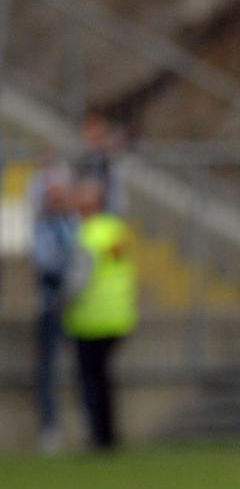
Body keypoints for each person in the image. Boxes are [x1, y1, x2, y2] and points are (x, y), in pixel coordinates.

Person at [64, 179, 137, 451]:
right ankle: (108, 434)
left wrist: (62, 305)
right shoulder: (115, 229)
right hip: (118, 316)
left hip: (90, 318)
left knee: (90, 380)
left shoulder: (86, 234)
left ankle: (99, 437)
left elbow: (77, 281)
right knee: (104, 379)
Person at [30, 163, 78, 453]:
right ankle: (50, 428)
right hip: (50, 304)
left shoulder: (73, 223)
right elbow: (46, 264)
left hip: (75, 304)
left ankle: (86, 424)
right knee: (47, 369)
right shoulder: (42, 225)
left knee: (81, 369)